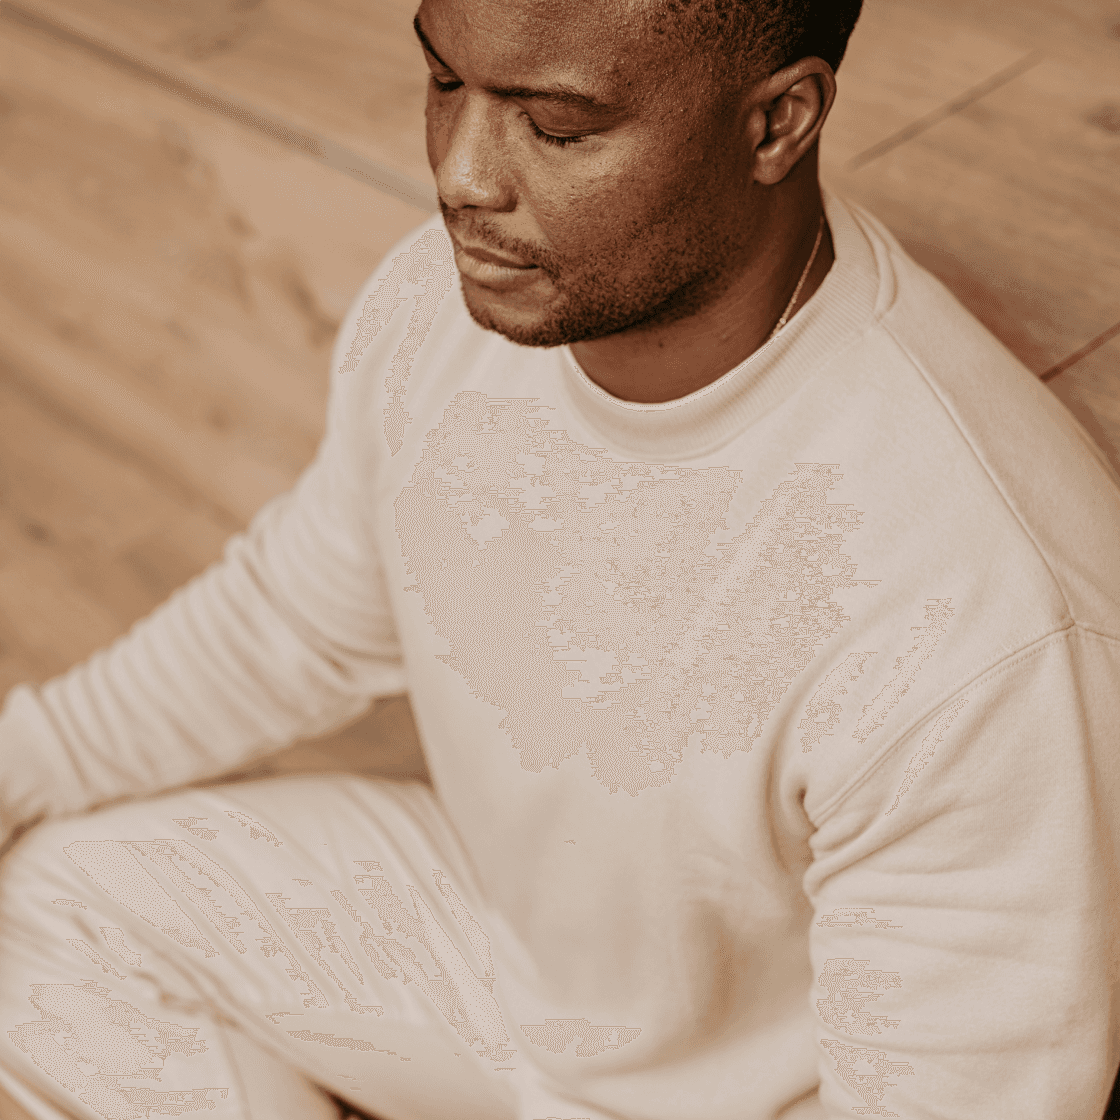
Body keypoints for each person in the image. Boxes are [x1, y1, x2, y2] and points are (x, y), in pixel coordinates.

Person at [1, 0, 1119, 1116]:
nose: (461, 178)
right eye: (445, 83)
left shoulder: (984, 611)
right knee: (48, 905)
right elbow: (291, 620)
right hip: (513, 974)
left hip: (768, 1094)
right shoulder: (457, 300)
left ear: (778, 121)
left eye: (556, 128)